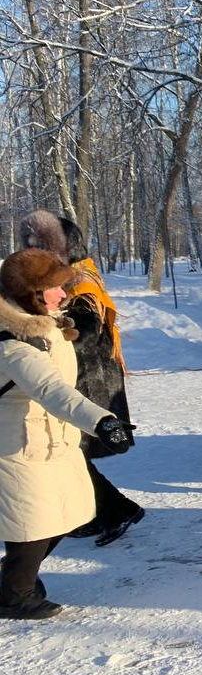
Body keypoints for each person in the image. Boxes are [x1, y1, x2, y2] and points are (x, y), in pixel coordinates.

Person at [0, 249, 131, 620]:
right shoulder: (13, 343)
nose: (64, 295)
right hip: (19, 446)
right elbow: (52, 391)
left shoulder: (46, 324)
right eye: (55, 288)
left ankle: (13, 580)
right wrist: (102, 421)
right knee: (32, 524)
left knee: (69, 513)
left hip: (52, 440)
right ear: (29, 294)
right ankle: (14, 595)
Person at [20, 210, 143, 546]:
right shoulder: (68, 277)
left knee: (72, 454)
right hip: (77, 378)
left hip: (88, 382)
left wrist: (50, 336)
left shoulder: (81, 282)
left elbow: (85, 330)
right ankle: (97, 512)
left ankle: (116, 510)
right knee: (71, 455)